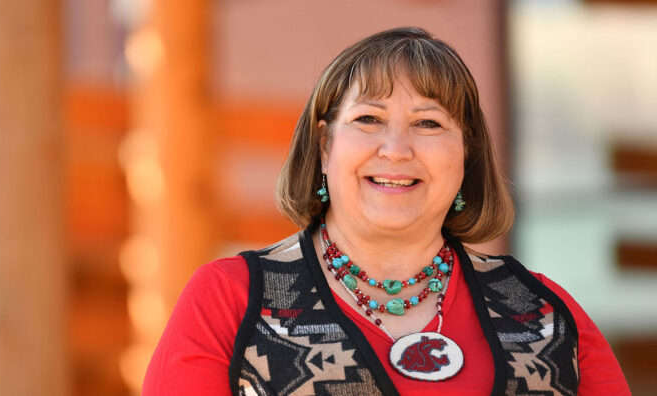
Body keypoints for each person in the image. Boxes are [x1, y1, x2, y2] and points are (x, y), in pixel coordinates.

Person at [143, 27, 630, 395]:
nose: (396, 149)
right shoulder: (230, 301)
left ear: (467, 155)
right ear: (324, 144)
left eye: (429, 123)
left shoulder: (544, 313)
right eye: (369, 118)